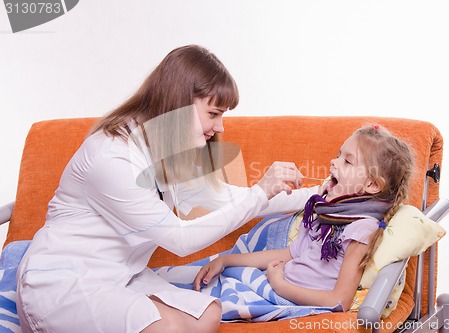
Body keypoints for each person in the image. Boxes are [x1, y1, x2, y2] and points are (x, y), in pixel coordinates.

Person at [15, 45, 311, 333]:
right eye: (213, 113)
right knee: (167, 327)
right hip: (62, 283)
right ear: (179, 105)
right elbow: (179, 239)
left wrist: (319, 194)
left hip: (121, 277)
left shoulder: (169, 152)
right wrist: (260, 191)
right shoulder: (112, 156)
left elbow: (228, 200)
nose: (220, 127)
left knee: (207, 313)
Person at [194, 125, 414, 312]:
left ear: (373, 185)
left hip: (286, 296)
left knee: (207, 304)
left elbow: (339, 301)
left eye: (347, 161)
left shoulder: (361, 229)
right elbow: (290, 253)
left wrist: (279, 285)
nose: (333, 162)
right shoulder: (326, 213)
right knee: (212, 281)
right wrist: (225, 260)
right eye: (338, 155)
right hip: (277, 281)